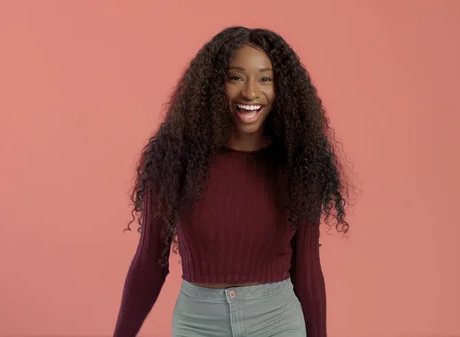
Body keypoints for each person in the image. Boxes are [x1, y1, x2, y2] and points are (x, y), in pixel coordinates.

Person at [113, 26, 350, 337]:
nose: (251, 92)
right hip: (198, 324)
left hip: (276, 322)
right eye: (236, 77)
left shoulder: (298, 165)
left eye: (266, 79)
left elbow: (307, 272)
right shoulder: (175, 160)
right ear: (213, 85)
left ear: (283, 90)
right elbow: (148, 264)